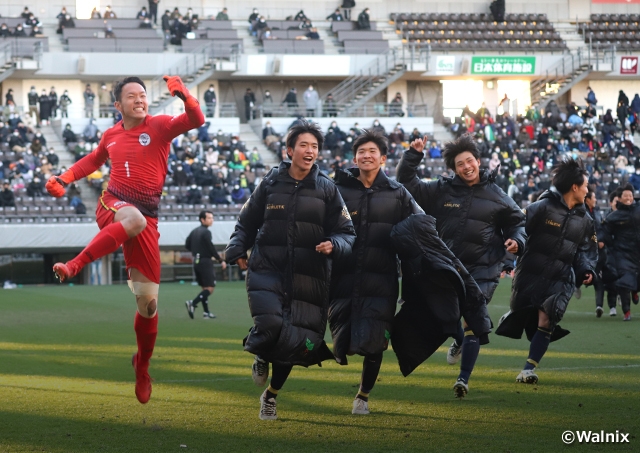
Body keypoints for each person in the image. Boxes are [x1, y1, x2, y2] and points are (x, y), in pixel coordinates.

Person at [44, 75, 205, 404]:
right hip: (113, 204)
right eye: (132, 96)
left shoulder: (159, 126)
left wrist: (184, 94)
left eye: (143, 94)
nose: (139, 99)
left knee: (148, 305)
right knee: (132, 218)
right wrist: (65, 177)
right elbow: (93, 160)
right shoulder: (112, 134)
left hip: (148, 218)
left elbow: (196, 119)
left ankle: (142, 366)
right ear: (118, 105)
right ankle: (75, 265)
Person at [224, 121, 356, 420]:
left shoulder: (327, 189)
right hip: (267, 268)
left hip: (310, 276)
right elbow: (246, 221)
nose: (310, 151)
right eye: (304, 145)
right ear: (289, 150)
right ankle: (259, 353)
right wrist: (236, 250)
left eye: (314, 147)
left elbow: (347, 232)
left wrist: (334, 244)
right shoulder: (270, 183)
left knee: (295, 340)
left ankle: (270, 396)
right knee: (270, 324)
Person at [396, 134, 526, 397]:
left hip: (483, 268)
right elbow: (407, 184)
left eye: (470, 161)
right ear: (453, 169)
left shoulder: (497, 195)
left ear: (478, 161)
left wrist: (517, 241)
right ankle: (457, 340)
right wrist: (413, 156)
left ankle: (463, 379)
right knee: (448, 315)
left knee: (473, 320)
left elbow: (517, 222)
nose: (467, 167)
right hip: (446, 266)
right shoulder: (441, 189)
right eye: (460, 164)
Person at [331, 130, 421, 414]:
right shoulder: (339, 191)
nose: (366, 156)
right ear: (354, 158)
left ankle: (363, 396)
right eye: (361, 152)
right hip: (342, 278)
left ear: (382, 158)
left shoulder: (398, 193)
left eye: (372, 152)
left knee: (375, 341)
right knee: (342, 340)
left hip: (381, 279)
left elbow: (420, 227)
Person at [496, 159, 597, 383]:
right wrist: (514, 245)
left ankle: (528, 369)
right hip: (530, 272)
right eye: (586, 186)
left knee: (547, 318)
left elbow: (585, 250)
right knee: (525, 313)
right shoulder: (541, 207)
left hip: (561, 277)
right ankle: (516, 315)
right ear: (574, 187)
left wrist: (587, 269)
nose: (587, 190)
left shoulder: (586, 220)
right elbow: (517, 228)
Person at [601, 184, 640, 322]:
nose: (629, 198)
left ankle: (635, 291)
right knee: (624, 283)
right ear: (620, 199)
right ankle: (626, 311)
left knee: (636, 280)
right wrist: (606, 243)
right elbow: (604, 231)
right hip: (623, 254)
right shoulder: (614, 216)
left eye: (630, 195)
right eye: (625, 196)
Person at [185, 210, 227, 319]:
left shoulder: (194, 231)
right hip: (205, 261)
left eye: (212, 218)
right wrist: (220, 260)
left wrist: (196, 251)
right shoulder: (206, 232)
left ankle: (206, 313)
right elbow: (210, 247)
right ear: (202, 219)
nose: (211, 220)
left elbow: (187, 244)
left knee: (204, 288)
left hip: (197, 261)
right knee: (210, 288)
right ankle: (192, 303)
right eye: (209, 218)